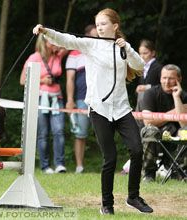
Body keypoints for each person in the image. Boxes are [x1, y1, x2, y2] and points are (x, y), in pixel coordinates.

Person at [33, 8, 153, 215]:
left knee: (137, 149)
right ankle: (107, 204)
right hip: (99, 109)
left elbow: (140, 66)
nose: (99, 27)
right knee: (111, 158)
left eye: (103, 24)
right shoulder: (90, 44)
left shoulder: (123, 47)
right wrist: (46, 31)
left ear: (115, 26)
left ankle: (133, 197)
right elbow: (66, 40)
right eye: (97, 24)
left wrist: (128, 49)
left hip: (122, 109)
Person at [20, 34, 67, 174]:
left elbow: (69, 44)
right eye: (52, 42)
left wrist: (58, 45)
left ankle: (60, 164)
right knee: (43, 133)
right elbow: (23, 80)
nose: (55, 44)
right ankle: (45, 165)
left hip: (57, 97)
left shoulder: (57, 55)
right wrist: (42, 80)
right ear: (44, 42)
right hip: (40, 98)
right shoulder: (34, 57)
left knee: (59, 131)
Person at [140, 64, 187, 182]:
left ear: (179, 79)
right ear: (160, 78)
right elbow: (148, 122)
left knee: (186, 131)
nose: (166, 82)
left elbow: (183, 124)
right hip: (154, 136)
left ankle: (180, 172)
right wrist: (175, 111)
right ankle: (149, 174)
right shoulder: (151, 93)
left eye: (171, 78)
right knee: (151, 130)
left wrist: (177, 97)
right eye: (164, 78)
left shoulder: (184, 96)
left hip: (175, 136)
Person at [65, 24, 97, 174]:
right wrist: (70, 100)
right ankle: (79, 166)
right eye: (94, 36)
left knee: (105, 132)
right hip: (81, 99)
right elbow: (70, 79)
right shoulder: (75, 54)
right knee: (80, 134)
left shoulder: (103, 51)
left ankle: (107, 163)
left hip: (101, 99)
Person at [136, 39, 163, 128]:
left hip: (154, 103)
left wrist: (147, 87)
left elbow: (164, 85)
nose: (142, 56)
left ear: (153, 53)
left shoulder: (159, 67)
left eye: (145, 53)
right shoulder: (143, 67)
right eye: (140, 53)